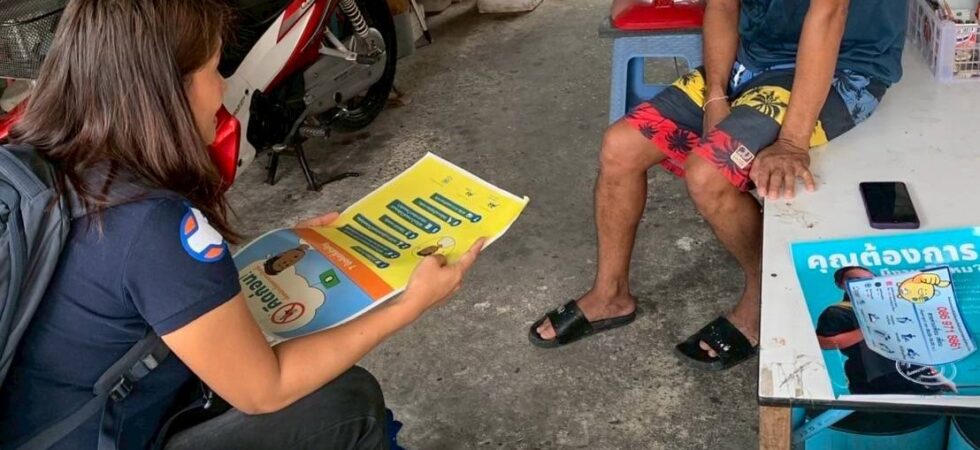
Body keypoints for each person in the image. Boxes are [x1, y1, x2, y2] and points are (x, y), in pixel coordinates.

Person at [0, 1, 484, 448]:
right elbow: (265, 389)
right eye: (214, 70)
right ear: (166, 92)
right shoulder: (151, 225)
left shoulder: (48, 161)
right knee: (348, 403)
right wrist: (409, 304)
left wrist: (289, 246)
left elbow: (139, 292)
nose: (223, 88)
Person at [529, 0, 907, 372]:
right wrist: (715, 95)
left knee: (709, 173)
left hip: (843, 66)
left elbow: (828, 14)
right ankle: (610, 294)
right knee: (620, 147)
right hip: (754, 62)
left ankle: (764, 299)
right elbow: (723, 6)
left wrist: (792, 142)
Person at [817, 267, 950, 395]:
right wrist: (868, 329)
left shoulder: (890, 308)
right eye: (854, 280)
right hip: (874, 381)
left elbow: (909, 345)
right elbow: (824, 343)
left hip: (914, 376)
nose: (862, 284)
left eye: (869, 281)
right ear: (840, 284)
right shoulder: (837, 312)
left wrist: (934, 375)